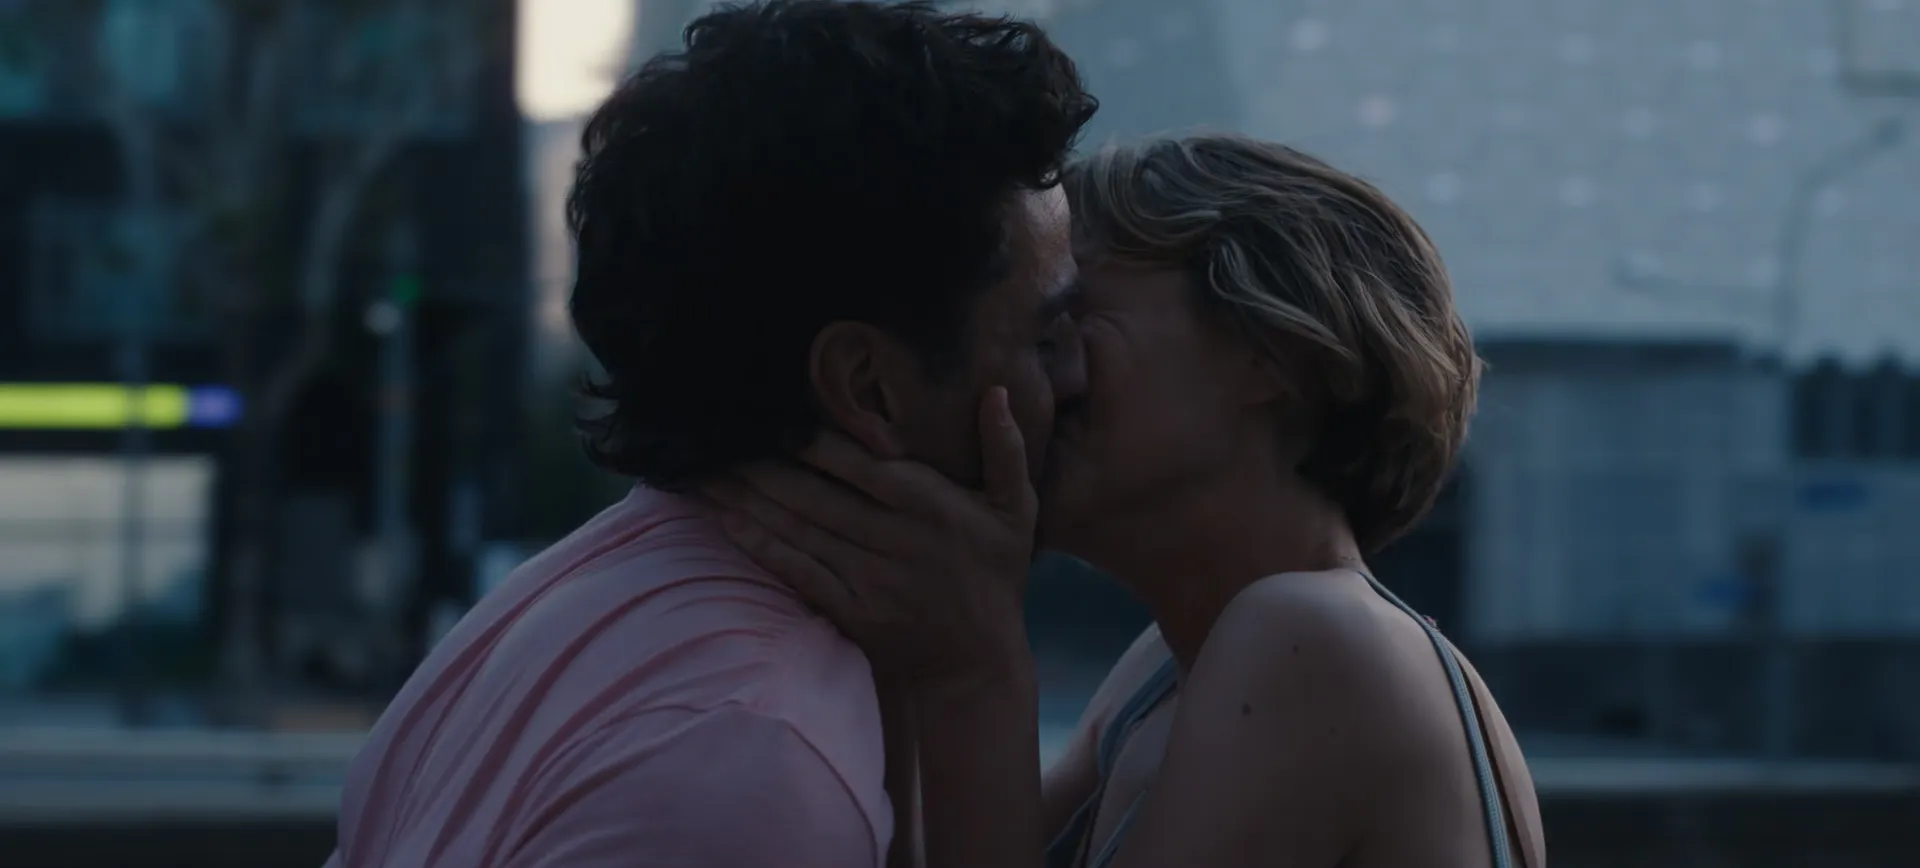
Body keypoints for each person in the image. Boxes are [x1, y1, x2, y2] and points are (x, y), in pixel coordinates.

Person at [324, 2, 1095, 866]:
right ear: (867, 388)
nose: (1080, 375)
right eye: (1044, 339)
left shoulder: (550, 611)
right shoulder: (754, 763)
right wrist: (981, 673)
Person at [710, 134, 1548, 868]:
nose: (1040, 376)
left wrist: (974, 668)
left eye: (1073, 319)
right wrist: (900, 622)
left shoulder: (1316, 642)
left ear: (1274, 355)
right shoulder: (1168, 665)